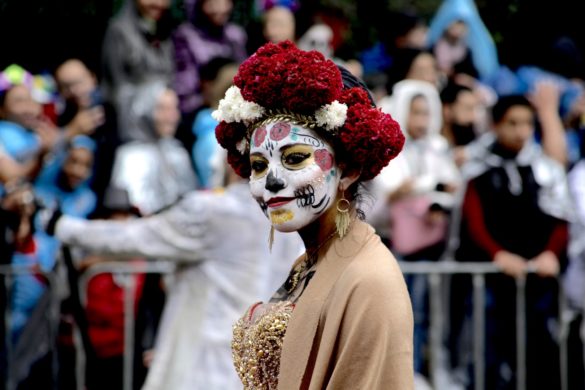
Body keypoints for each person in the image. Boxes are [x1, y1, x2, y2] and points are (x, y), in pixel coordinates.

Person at [213, 40, 413, 388]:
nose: (271, 181)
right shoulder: (309, 262)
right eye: (258, 166)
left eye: (294, 159)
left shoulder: (370, 281)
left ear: (348, 169)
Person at [453, 95, 571, 389]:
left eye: (528, 124)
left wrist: (550, 255)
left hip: (537, 283)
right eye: (513, 123)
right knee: (487, 359)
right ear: (496, 125)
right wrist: (498, 255)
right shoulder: (478, 170)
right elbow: (473, 221)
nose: (521, 131)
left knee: (539, 358)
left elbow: (560, 219)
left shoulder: (546, 170)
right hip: (491, 282)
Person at [101, 0, 175, 143]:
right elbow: (116, 90)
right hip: (130, 132)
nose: (158, 4)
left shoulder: (164, 29)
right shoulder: (119, 31)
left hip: (163, 129)